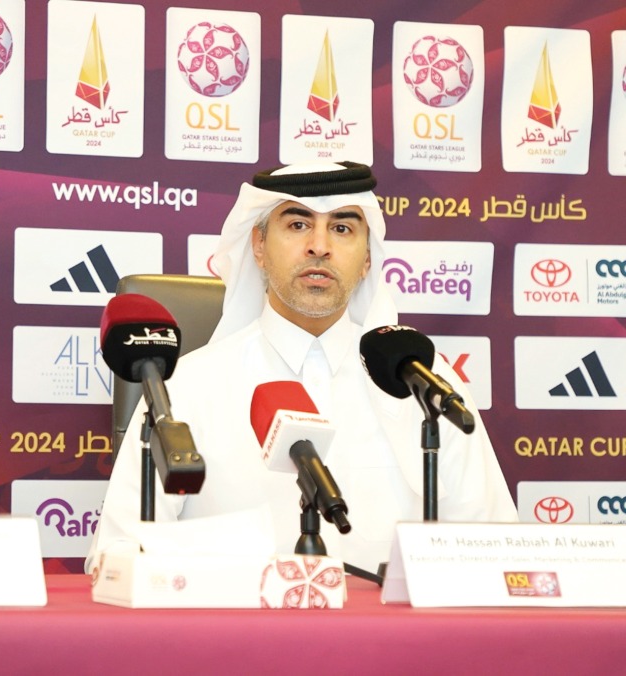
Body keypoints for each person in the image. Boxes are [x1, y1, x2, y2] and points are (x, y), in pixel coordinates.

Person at [88, 161, 515, 575]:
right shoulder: (188, 387)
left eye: (342, 229)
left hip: (391, 626)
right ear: (259, 247)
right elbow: (117, 555)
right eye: (297, 224)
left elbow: (494, 546)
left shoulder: (422, 383)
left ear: (367, 259)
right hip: (235, 623)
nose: (319, 246)